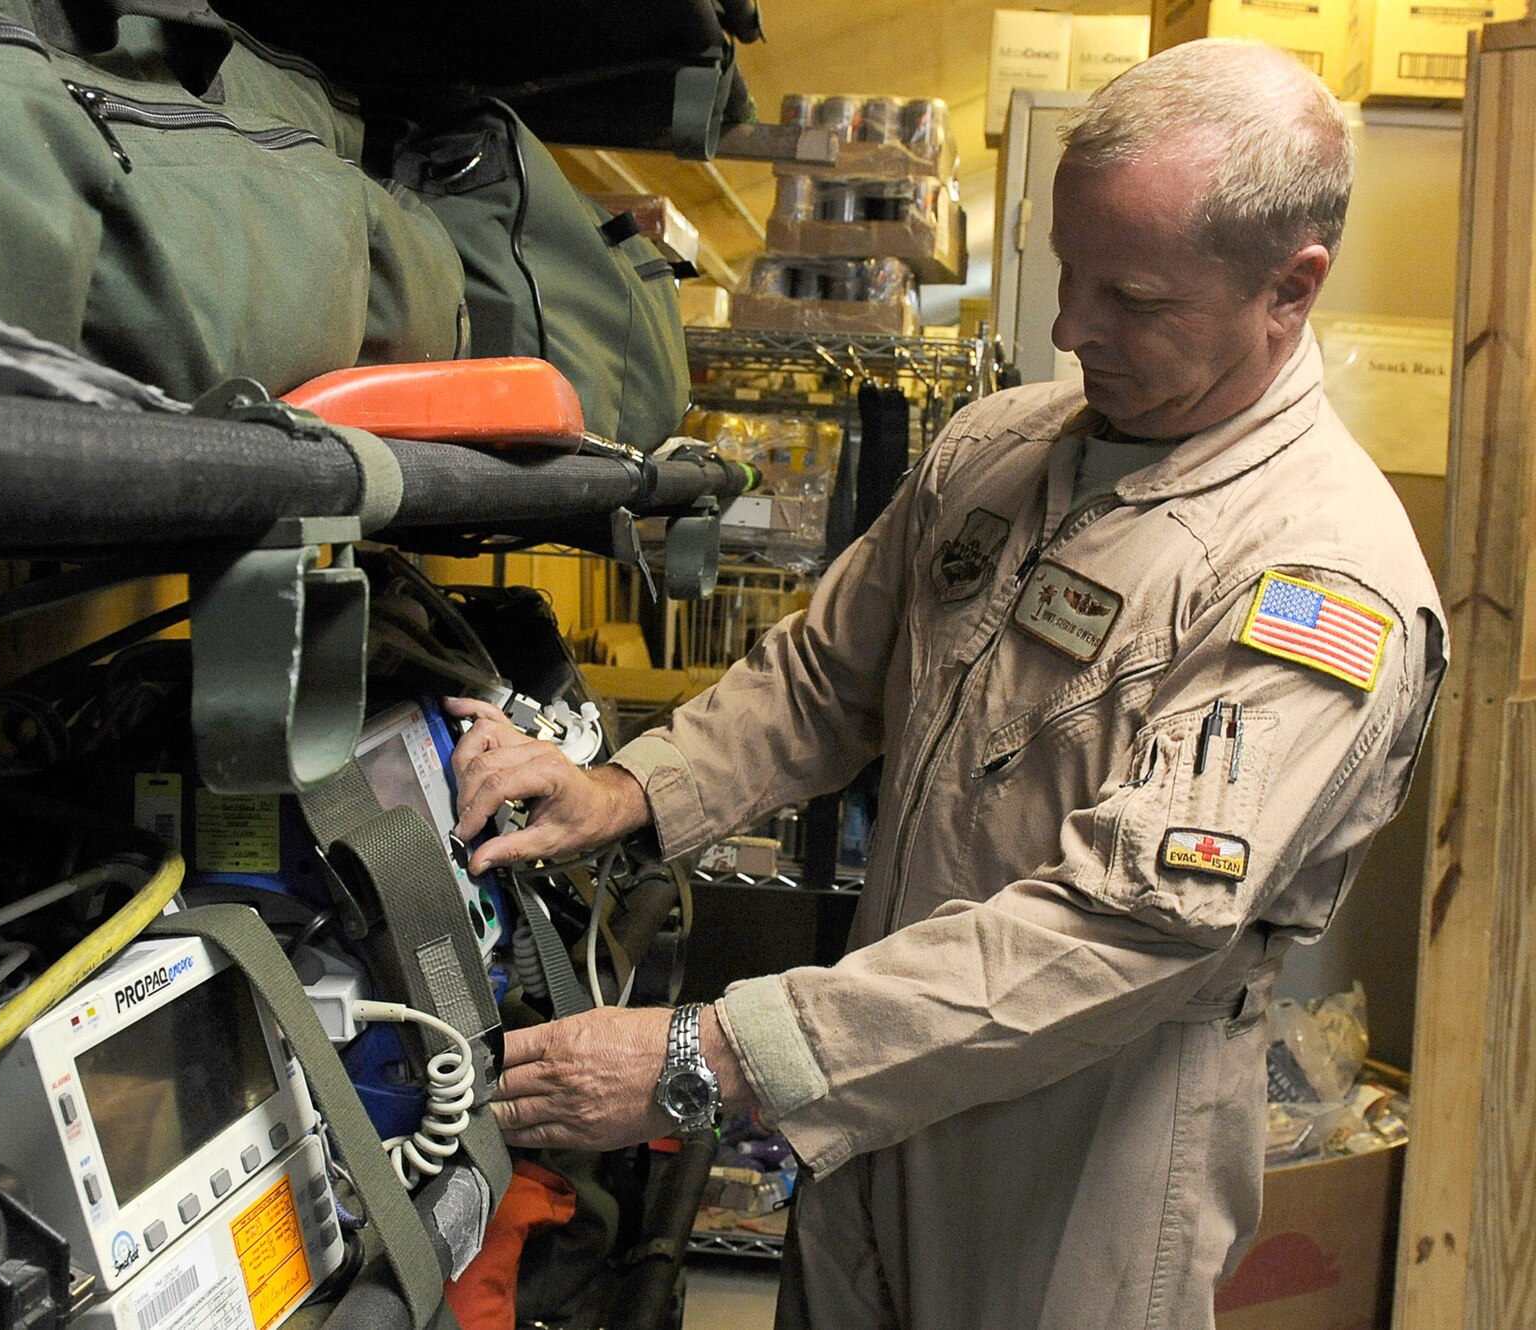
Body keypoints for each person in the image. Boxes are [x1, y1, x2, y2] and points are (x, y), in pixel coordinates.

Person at [445, 38, 1447, 1330]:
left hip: (1077, 1140)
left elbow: (1125, 927)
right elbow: (827, 673)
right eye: (1069, 269)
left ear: (1289, 288)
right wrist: (627, 789)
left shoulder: (1315, 579)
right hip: (874, 1079)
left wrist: (718, 1052)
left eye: (1131, 297)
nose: (1070, 326)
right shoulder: (999, 445)